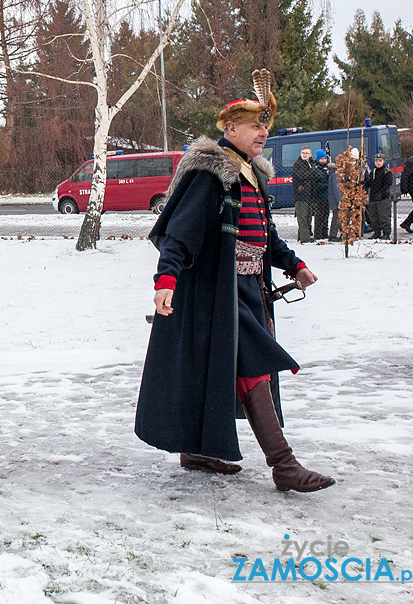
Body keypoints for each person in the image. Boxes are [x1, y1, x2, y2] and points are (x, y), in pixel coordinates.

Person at [136, 69, 334, 493]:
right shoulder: (211, 172)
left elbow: (263, 235)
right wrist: (166, 279)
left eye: (266, 124)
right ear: (229, 127)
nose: (263, 132)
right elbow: (180, 233)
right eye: (253, 124)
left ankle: (199, 449)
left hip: (248, 290)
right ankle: (284, 466)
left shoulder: (250, 172)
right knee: (253, 369)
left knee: (228, 369)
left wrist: (292, 263)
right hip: (214, 293)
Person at [364, 154, 392, 239]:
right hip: (373, 197)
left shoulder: (386, 172)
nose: (378, 163)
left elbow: (387, 185)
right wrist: (364, 184)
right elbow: (370, 182)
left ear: (383, 161)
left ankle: (386, 233)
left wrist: (381, 194)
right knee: (374, 216)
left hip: (383, 198)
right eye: (376, 161)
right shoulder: (373, 172)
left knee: (383, 216)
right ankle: (377, 232)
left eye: (380, 161)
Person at [291, 146, 315, 243]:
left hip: (310, 194)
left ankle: (302, 236)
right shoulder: (298, 164)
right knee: (302, 217)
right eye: (303, 152)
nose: (304, 155)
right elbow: (301, 176)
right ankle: (305, 238)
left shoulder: (311, 163)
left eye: (307, 153)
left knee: (308, 216)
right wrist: (312, 171)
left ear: (310, 154)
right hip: (300, 195)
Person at [311, 149, 330, 239]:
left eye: (324, 158)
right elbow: (317, 183)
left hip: (327, 197)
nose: (323, 160)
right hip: (319, 197)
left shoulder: (329, 168)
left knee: (326, 216)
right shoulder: (316, 169)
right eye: (321, 158)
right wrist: (327, 183)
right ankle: (318, 234)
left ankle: (324, 233)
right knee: (319, 216)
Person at [327, 156, 341, 242]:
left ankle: (333, 234)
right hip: (337, 201)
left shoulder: (332, 174)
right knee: (337, 218)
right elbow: (337, 190)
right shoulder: (336, 175)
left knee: (336, 217)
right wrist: (340, 201)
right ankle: (333, 235)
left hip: (334, 200)